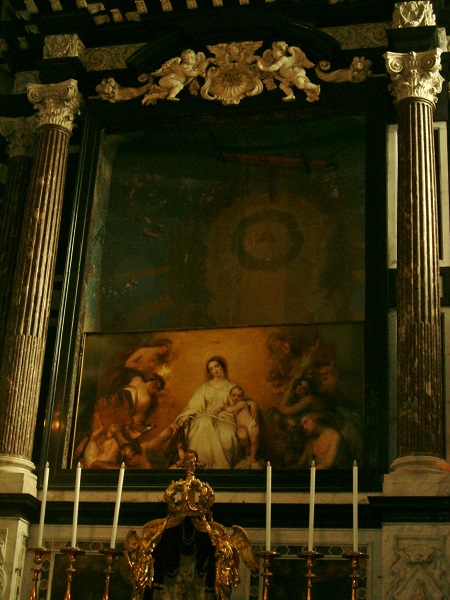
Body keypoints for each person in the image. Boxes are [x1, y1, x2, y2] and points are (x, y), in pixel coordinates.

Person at [174, 356, 241, 469]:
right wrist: (186, 416)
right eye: (211, 369)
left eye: (217, 366)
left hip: (225, 418)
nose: (215, 370)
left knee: (227, 434)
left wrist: (252, 405)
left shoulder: (232, 386)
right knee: (204, 421)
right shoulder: (205, 387)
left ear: (222, 366)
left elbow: (241, 402)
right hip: (206, 415)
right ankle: (197, 466)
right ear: (209, 372)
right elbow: (194, 406)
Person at [216, 385, 260, 463]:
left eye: (239, 396)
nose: (236, 398)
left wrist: (224, 407)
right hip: (241, 426)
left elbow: (229, 410)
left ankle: (252, 456)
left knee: (254, 441)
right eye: (234, 395)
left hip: (251, 424)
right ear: (230, 396)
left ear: (242, 397)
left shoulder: (242, 403)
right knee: (242, 436)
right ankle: (247, 449)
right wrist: (222, 408)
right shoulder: (234, 405)